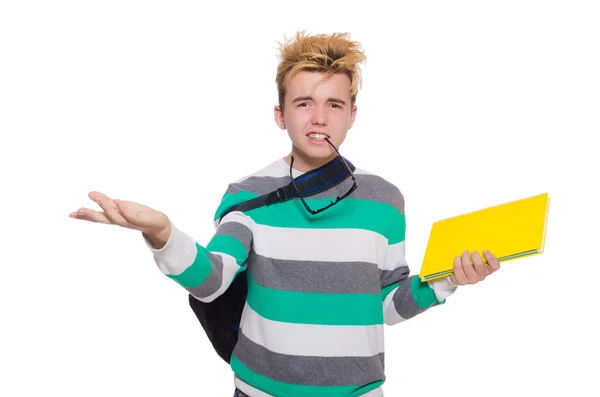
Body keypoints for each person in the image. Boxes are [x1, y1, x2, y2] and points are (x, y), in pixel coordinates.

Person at [70, 31, 500, 397]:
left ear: (353, 115)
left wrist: (447, 280)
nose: (319, 118)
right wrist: (163, 233)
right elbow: (213, 279)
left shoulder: (385, 199)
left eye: (334, 105)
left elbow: (386, 305)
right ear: (280, 115)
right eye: (303, 103)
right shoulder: (248, 194)